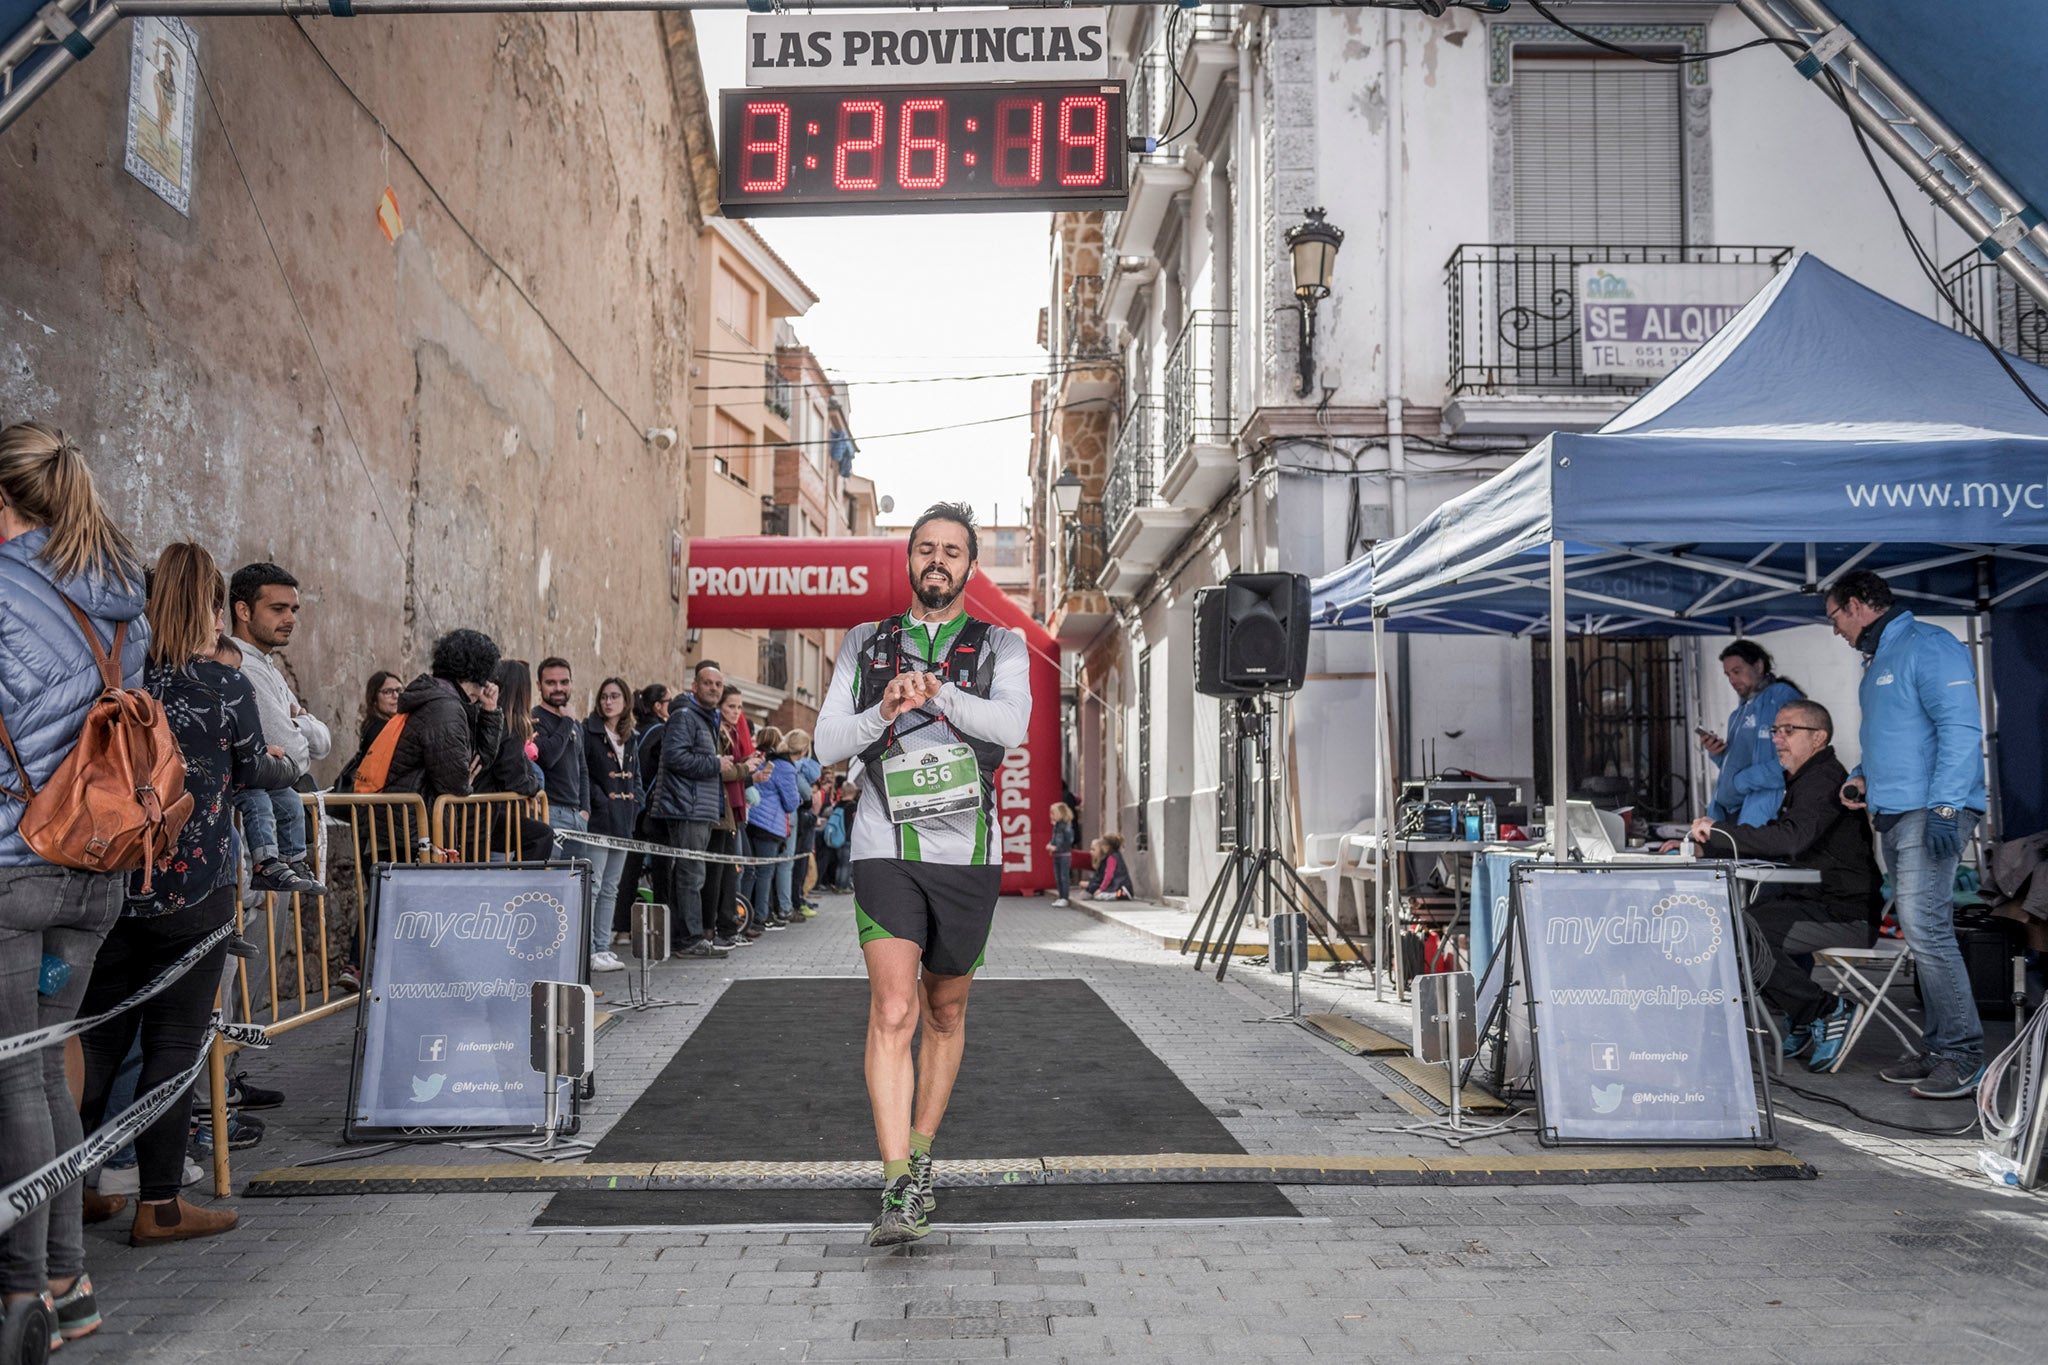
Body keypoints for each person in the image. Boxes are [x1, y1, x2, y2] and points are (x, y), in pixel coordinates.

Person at [814, 503, 1030, 1247]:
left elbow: (1012, 726)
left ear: (971, 565)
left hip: (968, 853)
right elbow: (824, 742)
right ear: (909, 560)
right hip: (885, 844)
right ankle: (897, 1180)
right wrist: (884, 705)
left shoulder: (1002, 643)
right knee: (895, 1009)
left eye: (952, 551)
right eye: (925, 549)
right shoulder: (863, 643)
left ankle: (925, 1149)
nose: (937, 561)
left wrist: (939, 692)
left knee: (944, 1011)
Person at [78, 543, 295, 1252]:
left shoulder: (122, 676)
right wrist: (278, 765)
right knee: (174, 1040)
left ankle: (71, 1188)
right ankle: (160, 1202)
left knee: (100, 1036)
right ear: (208, 604)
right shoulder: (222, 685)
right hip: (195, 884)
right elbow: (250, 767)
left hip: (115, 879)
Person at [0, 420, 149, 1347]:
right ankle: (68, 1277)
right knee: (45, 1071)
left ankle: (24, 1297)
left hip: (14, 863)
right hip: (94, 867)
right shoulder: (118, 595)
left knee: (15, 1079)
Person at [1828, 569, 1988, 1100]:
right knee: (1922, 935)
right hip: (1894, 812)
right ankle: (1940, 1047)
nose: (1833, 630)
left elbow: (1960, 729)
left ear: (1855, 605)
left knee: (1928, 931)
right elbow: (1893, 737)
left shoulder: (1930, 644)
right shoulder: (1877, 660)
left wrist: (1946, 804)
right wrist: (1860, 775)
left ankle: (1964, 1055)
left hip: (1929, 810)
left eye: (1833, 618)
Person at [1685, 699, 1882, 1071]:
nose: (1778, 738)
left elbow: (1790, 840)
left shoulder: (1823, 779)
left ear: (1818, 737)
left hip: (1846, 914)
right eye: (1775, 730)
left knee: (1743, 933)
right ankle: (1804, 1014)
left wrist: (1718, 833)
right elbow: (1786, 839)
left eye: (1789, 730)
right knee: (1736, 927)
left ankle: (1825, 1010)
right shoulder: (1807, 778)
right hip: (1817, 902)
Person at [226, 563, 329, 896]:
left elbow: (323, 744)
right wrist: (302, 725)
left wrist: (298, 723)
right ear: (243, 610)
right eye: (278, 609)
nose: (291, 619)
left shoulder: (265, 664)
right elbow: (294, 754)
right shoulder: (241, 665)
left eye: (294, 609)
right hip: (245, 853)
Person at [644, 661, 731, 959]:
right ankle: (689, 939)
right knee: (689, 876)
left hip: (699, 807)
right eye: (707, 683)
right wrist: (715, 764)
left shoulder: (705, 717)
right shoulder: (684, 716)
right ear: (694, 686)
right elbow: (675, 757)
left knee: (691, 874)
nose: (713, 689)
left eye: (718, 685)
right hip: (686, 807)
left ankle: (686, 938)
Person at [382, 629, 505, 822]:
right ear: (477, 673)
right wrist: (464, 783)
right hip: (413, 829)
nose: (486, 687)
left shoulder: (443, 699)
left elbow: (479, 761)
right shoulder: (445, 708)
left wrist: (489, 711)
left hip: (409, 824)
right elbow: (456, 783)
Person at [1701, 641, 1802, 827]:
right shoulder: (1739, 712)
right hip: (1731, 811)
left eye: (1737, 671)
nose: (1732, 680)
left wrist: (1743, 781)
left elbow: (1797, 758)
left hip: (1761, 810)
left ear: (1758, 665)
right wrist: (1718, 754)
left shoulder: (1781, 697)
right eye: (1728, 674)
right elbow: (1742, 759)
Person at [581, 677, 639, 971]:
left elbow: (636, 777)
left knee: (612, 887)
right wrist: (600, 801)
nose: (608, 701)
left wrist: (635, 802)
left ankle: (603, 946)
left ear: (625, 701)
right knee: (595, 884)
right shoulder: (588, 731)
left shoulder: (631, 737)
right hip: (600, 820)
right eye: (604, 696)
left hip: (623, 820)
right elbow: (584, 772)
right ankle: (590, 949)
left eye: (614, 696)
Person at [473, 659, 553, 860]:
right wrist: (534, 788)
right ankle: (522, 890)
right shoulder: (509, 725)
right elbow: (513, 774)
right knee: (541, 836)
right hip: (482, 813)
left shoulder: (482, 717)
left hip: (477, 811)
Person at [707, 684, 757, 947]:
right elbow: (722, 769)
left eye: (739, 707)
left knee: (730, 872)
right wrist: (745, 768)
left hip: (733, 808)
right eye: (731, 706)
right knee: (718, 873)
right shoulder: (718, 731)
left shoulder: (735, 731)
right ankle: (718, 928)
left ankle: (727, 927)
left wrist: (750, 770)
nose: (736, 712)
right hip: (718, 809)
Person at [744, 726, 803, 932]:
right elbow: (791, 802)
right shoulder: (784, 766)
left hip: (753, 819)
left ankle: (751, 914)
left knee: (751, 871)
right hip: (770, 824)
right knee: (765, 873)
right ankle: (761, 915)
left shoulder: (760, 760)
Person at [533, 657, 591, 842]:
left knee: (575, 872)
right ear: (539, 685)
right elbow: (548, 757)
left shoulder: (575, 724)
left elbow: (582, 769)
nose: (558, 688)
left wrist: (585, 810)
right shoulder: (534, 720)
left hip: (577, 816)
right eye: (551, 683)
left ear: (571, 684)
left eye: (564, 682)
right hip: (550, 813)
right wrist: (567, 721)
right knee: (553, 872)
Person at [335, 671, 401, 792]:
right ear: (374, 698)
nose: (395, 696)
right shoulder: (378, 729)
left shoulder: (392, 724)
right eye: (388, 692)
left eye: (399, 690)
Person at [784, 728, 822, 919]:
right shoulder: (795, 766)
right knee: (796, 864)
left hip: (797, 818)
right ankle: (794, 901)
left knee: (797, 863)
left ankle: (796, 898)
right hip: (797, 818)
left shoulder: (791, 764)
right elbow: (807, 790)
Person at [1084, 833, 1133, 900]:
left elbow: (1109, 875)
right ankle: (1122, 894)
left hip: (1121, 888)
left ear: (1107, 846)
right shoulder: (1117, 855)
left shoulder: (1111, 858)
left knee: (1098, 896)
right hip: (1125, 886)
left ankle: (1122, 894)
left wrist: (1101, 889)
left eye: (1102, 845)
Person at [1048, 803, 1077, 907]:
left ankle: (1065, 897)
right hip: (1057, 855)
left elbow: (1068, 841)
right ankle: (1061, 897)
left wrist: (1056, 847)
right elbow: (1054, 839)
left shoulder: (1065, 828)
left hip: (1064, 855)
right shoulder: (1056, 827)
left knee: (1064, 876)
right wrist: (1051, 844)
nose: (1051, 816)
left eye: (1053, 813)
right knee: (1058, 877)